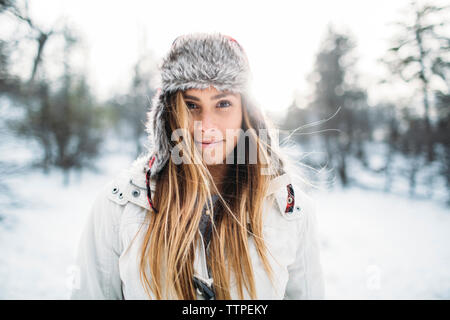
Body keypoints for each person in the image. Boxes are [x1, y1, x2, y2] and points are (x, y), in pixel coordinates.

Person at [69, 32, 325, 300]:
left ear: (246, 112)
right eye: (191, 105)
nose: (206, 126)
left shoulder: (290, 211)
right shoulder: (120, 206)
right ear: (169, 113)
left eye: (223, 104)